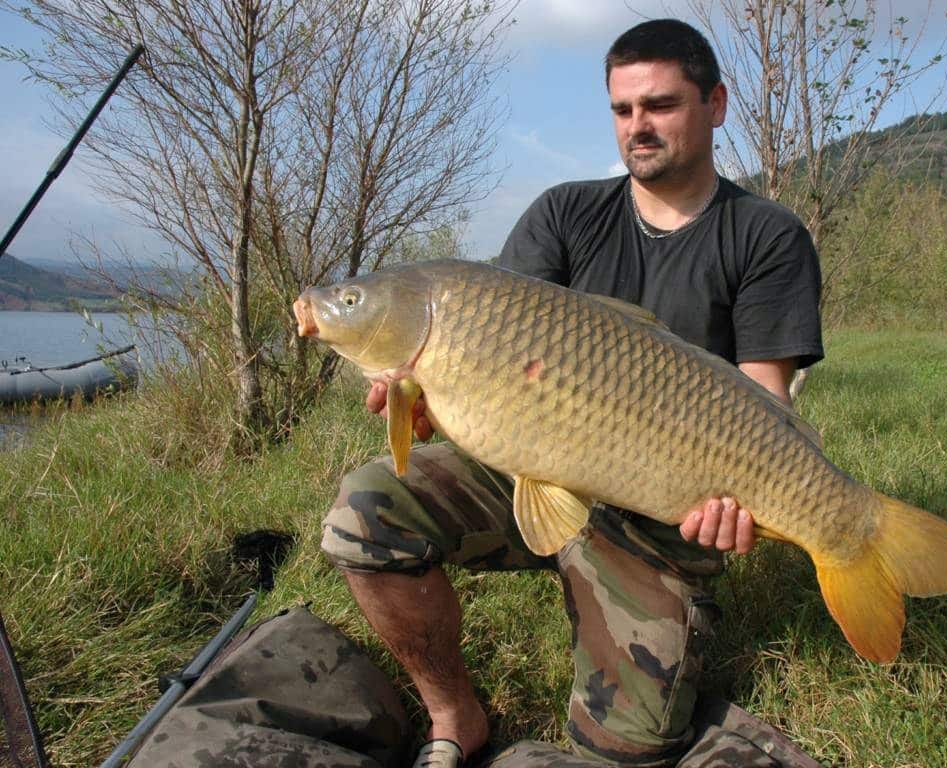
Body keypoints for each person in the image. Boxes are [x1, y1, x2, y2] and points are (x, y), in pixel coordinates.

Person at [320, 18, 824, 768]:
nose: (638, 127)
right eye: (623, 110)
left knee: (626, 748)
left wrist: (751, 497)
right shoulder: (565, 213)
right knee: (366, 510)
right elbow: (484, 375)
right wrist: (422, 404)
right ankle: (454, 713)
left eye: (660, 105)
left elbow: (764, 395)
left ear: (715, 104)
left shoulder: (765, 235)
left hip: (665, 503)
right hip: (531, 470)